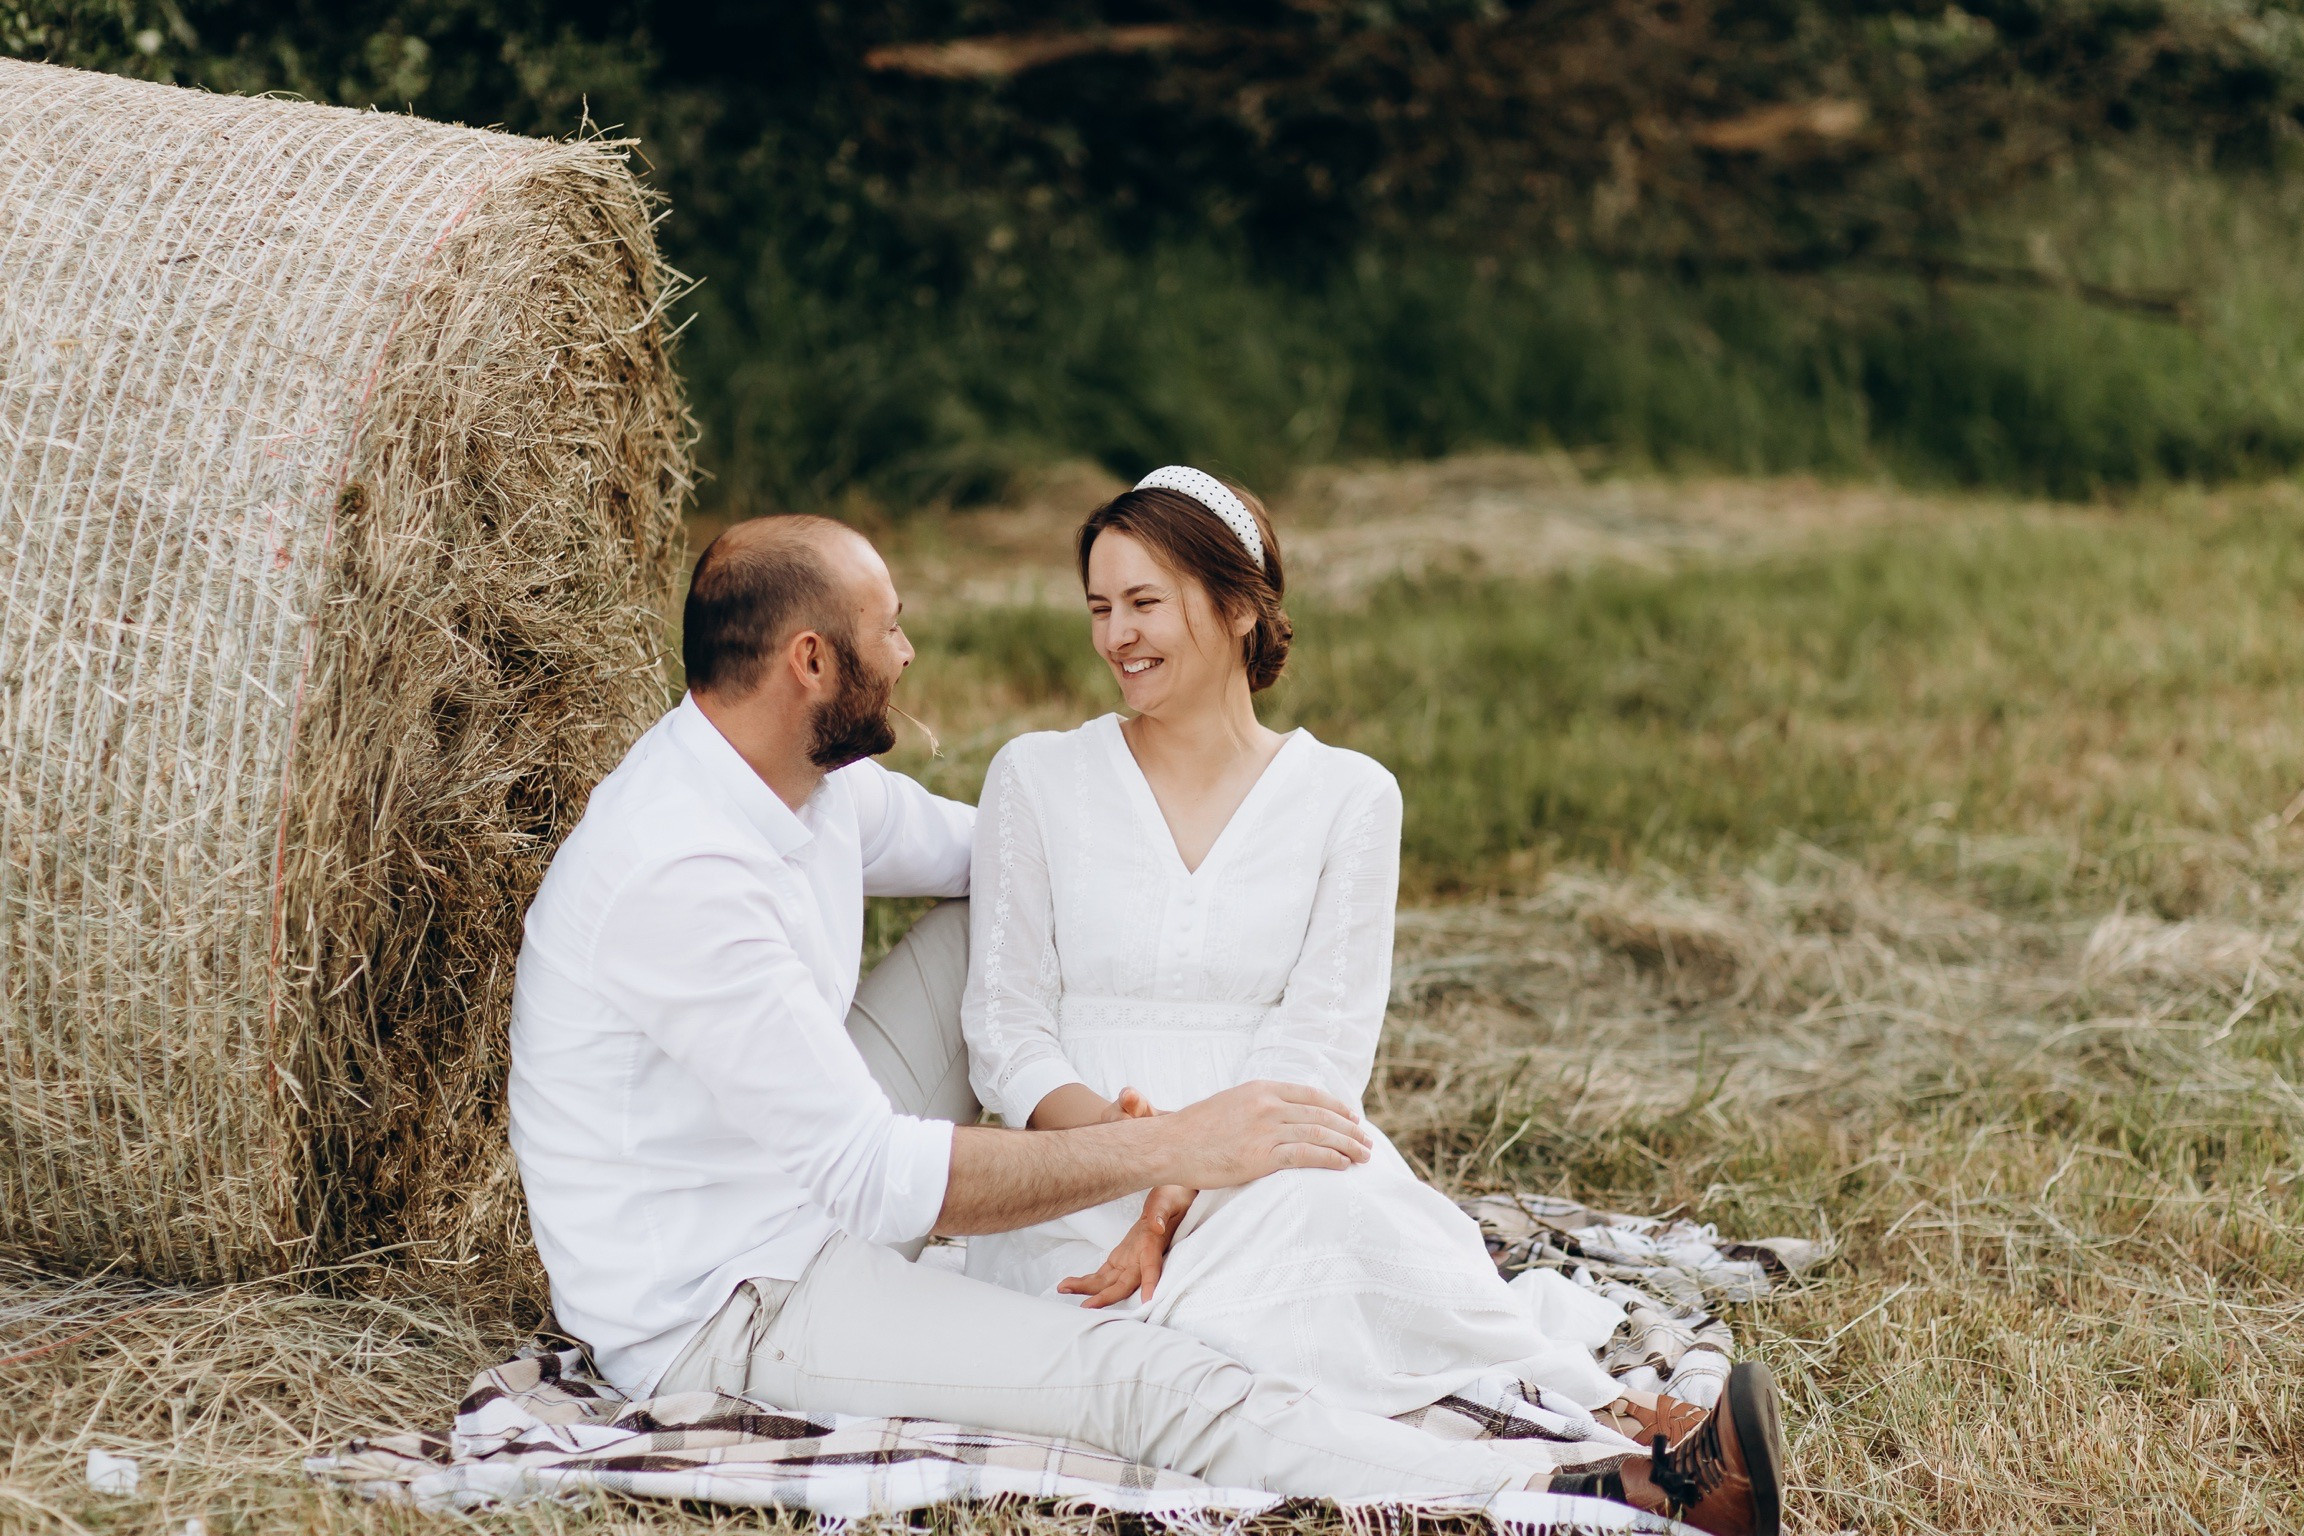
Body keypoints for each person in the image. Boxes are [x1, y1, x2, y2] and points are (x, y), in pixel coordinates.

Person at [505, 512, 1777, 1524]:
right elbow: (878, 1178)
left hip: (790, 1176)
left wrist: (1103, 843)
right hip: (732, 1297)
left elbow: (1000, 859)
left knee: (987, 915)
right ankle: (1583, 1495)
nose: (910, 650)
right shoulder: (678, 877)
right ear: (811, 664)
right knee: (1133, 1379)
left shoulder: (803, 781)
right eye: (889, 630)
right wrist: (1171, 1152)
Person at [959, 467, 1786, 1532]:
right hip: (1075, 1175)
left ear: (1241, 603)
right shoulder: (1037, 776)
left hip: (1269, 1160)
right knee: (1204, 1321)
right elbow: (1005, 1027)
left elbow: (1321, 1053)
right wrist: (1136, 1160)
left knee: (1344, 1220)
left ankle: (1620, 1425)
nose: (1117, 635)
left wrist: (1190, 1183)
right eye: (1099, 608)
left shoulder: (1350, 795)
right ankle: (1617, 1458)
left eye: (1145, 603)